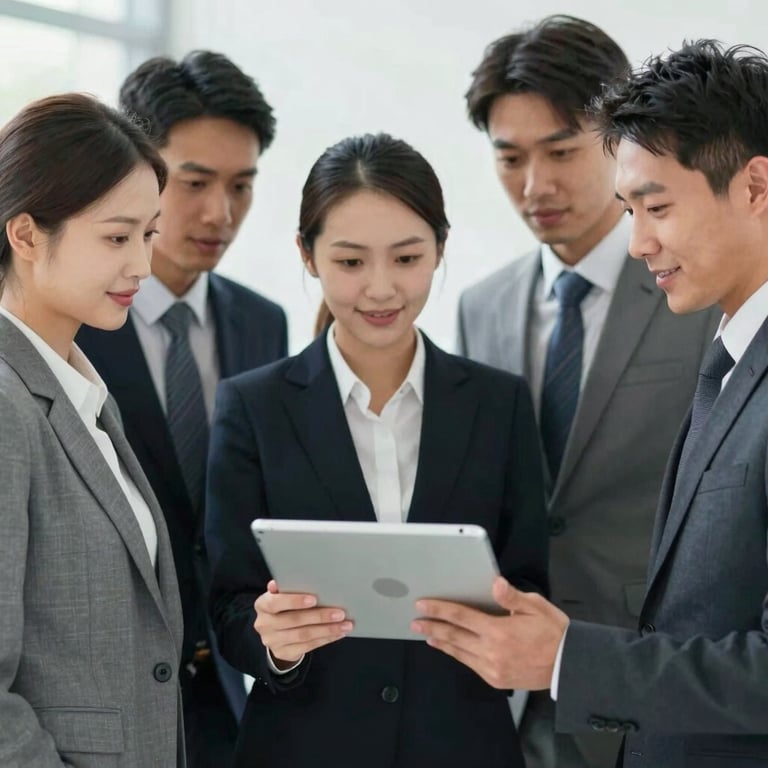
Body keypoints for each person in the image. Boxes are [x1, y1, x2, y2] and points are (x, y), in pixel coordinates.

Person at [415, 39, 768, 768]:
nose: (640, 242)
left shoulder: (711, 329)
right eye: (630, 208)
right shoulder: (730, 354)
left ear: (757, 189)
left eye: (658, 207)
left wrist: (573, 658)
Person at [204, 132, 549, 768]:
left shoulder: (498, 405)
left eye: (408, 258)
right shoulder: (252, 406)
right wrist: (275, 642)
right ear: (308, 256)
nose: (382, 288)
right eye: (351, 262)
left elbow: (528, 578)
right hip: (303, 747)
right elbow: (228, 604)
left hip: (462, 744)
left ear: (440, 250)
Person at [76, 50, 288, 766]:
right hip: (110, 691)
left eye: (241, 185)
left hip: (235, 688)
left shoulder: (263, 323)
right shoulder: (68, 326)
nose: (219, 213)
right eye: (194, 182)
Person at [0, 93, 183, 767]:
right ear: (24, 235)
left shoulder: (85, 395)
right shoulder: (6, 406)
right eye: (116, 237)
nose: (141, 265)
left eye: (148, 234)